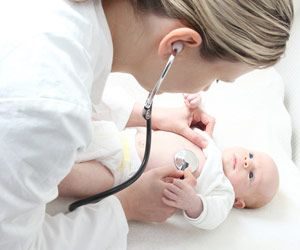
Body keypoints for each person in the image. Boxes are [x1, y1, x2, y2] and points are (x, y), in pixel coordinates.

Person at [0, 0, 293, 249]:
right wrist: (126, 206)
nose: (204, 90)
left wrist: (147, 114)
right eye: (216, 79)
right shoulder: (51, 110)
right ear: (178, 46)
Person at [59, 97, 279, 230]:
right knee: (75, 131)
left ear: (239, 202)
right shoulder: (209, 143)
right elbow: (186, 120)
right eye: (250, 156)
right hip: (121, 138)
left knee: (70, 178)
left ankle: (41, 178)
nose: (247, 164)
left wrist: (193, 203)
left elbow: (211, 216)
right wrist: (195, 102)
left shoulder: (222, 190)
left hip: (123, 176)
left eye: (251, 175)